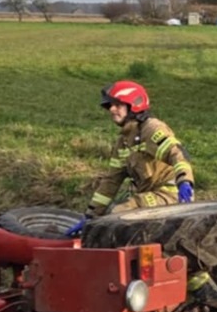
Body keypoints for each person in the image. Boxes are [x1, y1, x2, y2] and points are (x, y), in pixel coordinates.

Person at [66, 80, 195, 236]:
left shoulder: (152, 129)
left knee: (120, 213)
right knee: (109, 216)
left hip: (170, 194)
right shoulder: (123, 141)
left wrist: (185, 182)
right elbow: (111, 181)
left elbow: (178, 154)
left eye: (118, 105)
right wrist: (90, 216)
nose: (112, 109)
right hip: (148, 194)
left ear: (134, 105)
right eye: (110, 105)